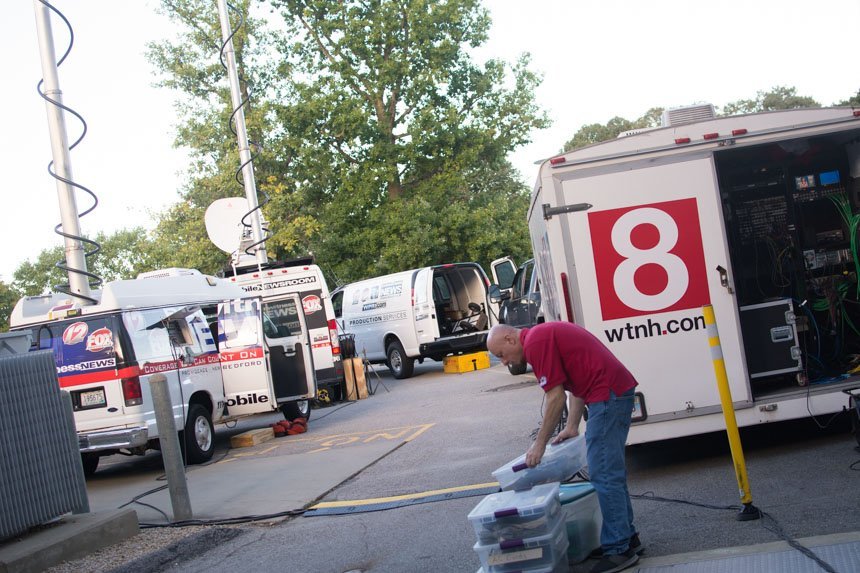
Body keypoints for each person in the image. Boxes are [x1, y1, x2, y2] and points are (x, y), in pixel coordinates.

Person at [486, 323, 642, 573]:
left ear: (510, 339)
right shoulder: (540, 338)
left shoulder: (536, 343)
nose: (503, 362)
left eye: (501, 354)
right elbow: (577, 384)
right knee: (609, 472)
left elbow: (556, 396)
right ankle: (626, 537)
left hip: (608, 394)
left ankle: (619, 548)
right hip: (609, 391)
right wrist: (571, 426)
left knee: (603, 473)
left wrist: (539, 445)